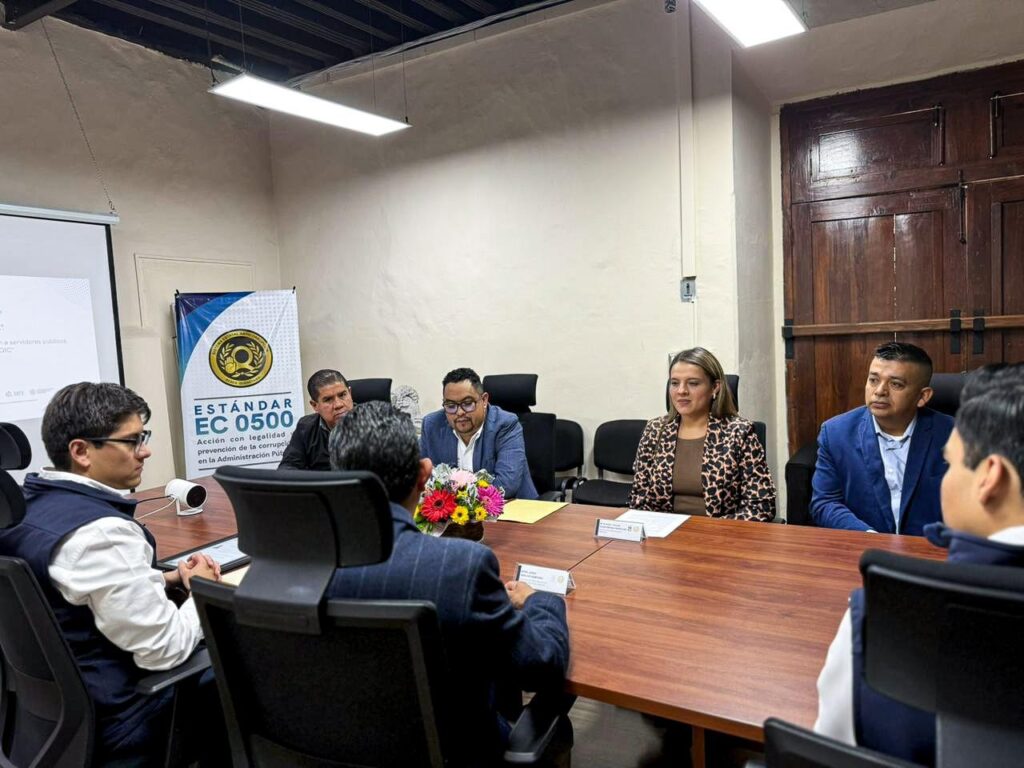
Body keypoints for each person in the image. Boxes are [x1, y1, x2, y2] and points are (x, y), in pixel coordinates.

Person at [327, 401, 570, 766]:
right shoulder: (461, 566)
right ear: (424, 474)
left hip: (336, 747)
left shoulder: (299, 566)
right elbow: (541, 667)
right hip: (455, 752)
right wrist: (542, 601)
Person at [0, 382, 223, 763]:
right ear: (81, 451)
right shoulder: (102, 534)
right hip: (125, 722)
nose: (145, 451)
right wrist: (201, 589)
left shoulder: (22, 509)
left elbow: (68, 592)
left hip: (47, 727)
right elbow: (164, 651)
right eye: (133, 441)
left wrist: (160, 579)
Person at [814, 364, 1024, 764]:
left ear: (990, 477)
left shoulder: (879, 615)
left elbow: (830, 751)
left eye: (952, 464)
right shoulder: (838, 431)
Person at [811, 342, 954, 535]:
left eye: (895, 384)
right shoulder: (836, 433)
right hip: (865, 547)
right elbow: (825, 502)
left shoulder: (955, 435)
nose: (879, 391)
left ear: (922, 396)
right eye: (873, 380)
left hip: (932, 547)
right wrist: (869, 537)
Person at [629, 347, 775, 520]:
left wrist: (711, 530)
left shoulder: (739, 433)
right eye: (674, 383)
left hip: (718, 532)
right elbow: (639, 499)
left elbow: (761, 505)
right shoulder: (655, 430)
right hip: (663, 531)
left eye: (693, 383)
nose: (681, 391)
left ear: (715, 387)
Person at [419, 367, 538, 499]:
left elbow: (506, 486)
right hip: (449, 510)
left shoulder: (506, 425)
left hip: (513, 506)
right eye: (451, 406)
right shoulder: (432, 425)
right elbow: (420, 477)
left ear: (484, 400)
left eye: (467, 403)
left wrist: (455, 496)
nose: (460, 412)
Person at [278, 369, 353, 470]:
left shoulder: (371, 421)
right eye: (328, 399)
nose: (338, 405)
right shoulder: (306, 427)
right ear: (315, 405)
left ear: (350, 393)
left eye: (342, 395)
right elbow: (288, 468)